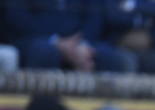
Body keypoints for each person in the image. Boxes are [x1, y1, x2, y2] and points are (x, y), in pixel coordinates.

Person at [5, 0, 134, 72]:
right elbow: (18, 19)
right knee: (45, 52)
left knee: (114, 58)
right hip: (34, 40)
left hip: (80, 42)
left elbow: (94, 16)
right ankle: (43, 108)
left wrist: (82, 44)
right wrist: (56, 42)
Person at [102, 0, 155, 74]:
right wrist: (147, 18)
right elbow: (113, 16)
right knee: (127, 63)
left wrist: (132, 5)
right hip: (118, 47)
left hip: (150, 49)